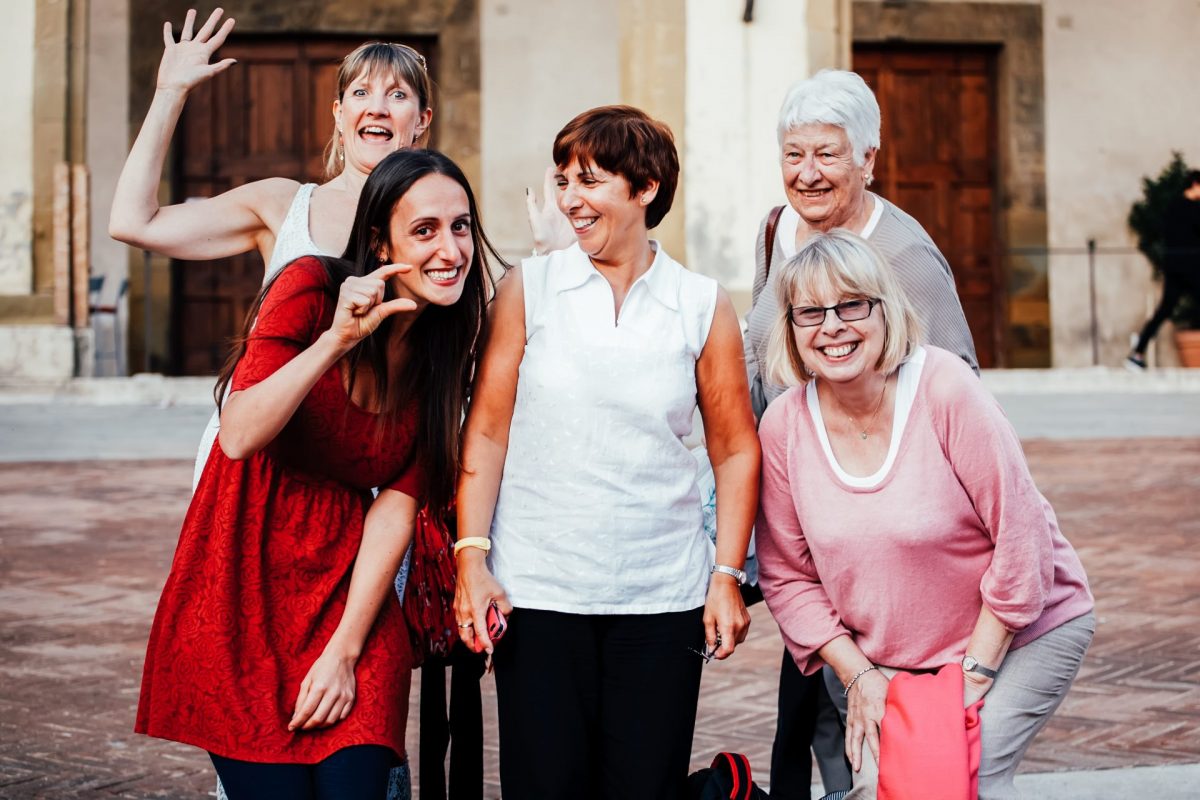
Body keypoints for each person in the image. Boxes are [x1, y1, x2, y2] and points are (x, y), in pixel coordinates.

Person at [135, 148, 503, 799]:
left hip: (347, 587)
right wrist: (335, 340)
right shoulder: (308, 285)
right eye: (425, 230)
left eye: (462, 225)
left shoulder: (444, 344)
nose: (451, 248)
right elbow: (242, 432)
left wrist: (345, 650)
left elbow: (397, 504)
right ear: (376, 239)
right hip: (242, 583)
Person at [452, 105, 761, 800]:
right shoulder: (528, 290)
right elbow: (488, 430)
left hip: (660, 596)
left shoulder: (700, 304)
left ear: (645, 187)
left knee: (643, 789)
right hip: (539, 591)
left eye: (588, 180)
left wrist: (726, 574)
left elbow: (736, 449)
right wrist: (471, 556)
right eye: (563, 180)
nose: (568, 199)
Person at [755, 229, 1095, 799]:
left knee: (966, 776)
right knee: (885, 787)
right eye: (810, 312)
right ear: (790, 329)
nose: (832, 326)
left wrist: (973, 677)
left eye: (851, 305)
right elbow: (788, 575)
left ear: (885, 309)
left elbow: (1022, 536)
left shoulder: (944, 388)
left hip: (1016, 635)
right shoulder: (784, 426)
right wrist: (858, 673)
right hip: (883, 658)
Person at [739, 68, 981, 799]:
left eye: (827, 155)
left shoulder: (904, 255)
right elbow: (766, 348)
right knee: (813, 700)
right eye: (793, 154)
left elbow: (958, 387)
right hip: (800, 508)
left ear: (868, 159)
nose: (806, 175)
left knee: (855, 702)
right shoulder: (778, 229)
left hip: (874, 519)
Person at [107, 8, 433, 488]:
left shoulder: (440, 223)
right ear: (339, 114)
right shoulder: (282, 203)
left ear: (422, 119)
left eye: (397, 95)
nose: (377, 107)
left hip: (372, 459)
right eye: (360, 93)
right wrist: (169, 93)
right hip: (266, 452)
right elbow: (134, 223)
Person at [1127, 169, 1200, 370]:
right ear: (1195, 185)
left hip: (1175, 267)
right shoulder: (1192, 209)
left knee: (1163, 311)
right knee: (1165, 310)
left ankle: (1137, 353)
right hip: (1190, 267)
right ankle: (1137, 353)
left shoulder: (1173, 208)